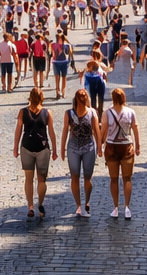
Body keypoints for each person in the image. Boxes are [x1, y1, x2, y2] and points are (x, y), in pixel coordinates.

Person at [13, 87, 57, 218]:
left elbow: (18, 130)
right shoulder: (47, 113)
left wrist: (15, 147)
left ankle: (30, 206)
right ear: (42, 98)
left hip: (26, 147)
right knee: (42, 179)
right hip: (43, 148)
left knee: (28, 179)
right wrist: (54, 149)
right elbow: (51, 132)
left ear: (30, 97)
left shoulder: (22, 112)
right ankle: (40, 203)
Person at [100, 87, 139, 219]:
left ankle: (115, 207)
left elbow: (103, 130)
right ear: (123, 98)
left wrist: (100, 145)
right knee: (127, 178)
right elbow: (135, 128)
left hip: (111, 147)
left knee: (114, 179)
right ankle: (127, 207)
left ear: (113, 99)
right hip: (127, 146)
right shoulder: (130, 112)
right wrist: (137, 145)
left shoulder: (107, 113)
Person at [62, 88, 100, 216]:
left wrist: (100, 147)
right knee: (75, 177)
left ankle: (87, 201)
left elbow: (97, 131)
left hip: (88, 146)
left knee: (88, 178)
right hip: (73, 147)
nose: (83, 99)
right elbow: (64, 131)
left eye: (85, 97)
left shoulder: (92, 113)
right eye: (81, 97)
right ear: (77, 99)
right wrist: (62, 149)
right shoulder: (69, 113)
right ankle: (78, 205)